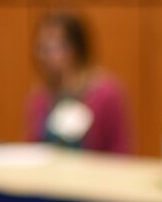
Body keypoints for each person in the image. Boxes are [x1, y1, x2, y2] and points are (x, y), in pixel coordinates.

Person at [25, 11, 133, 155]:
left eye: (55, 47)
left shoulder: (106, 95)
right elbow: (32, 152)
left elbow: (121, 154)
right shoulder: (40, 98)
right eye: (42, 48)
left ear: (77, 48)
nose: (47, 56)